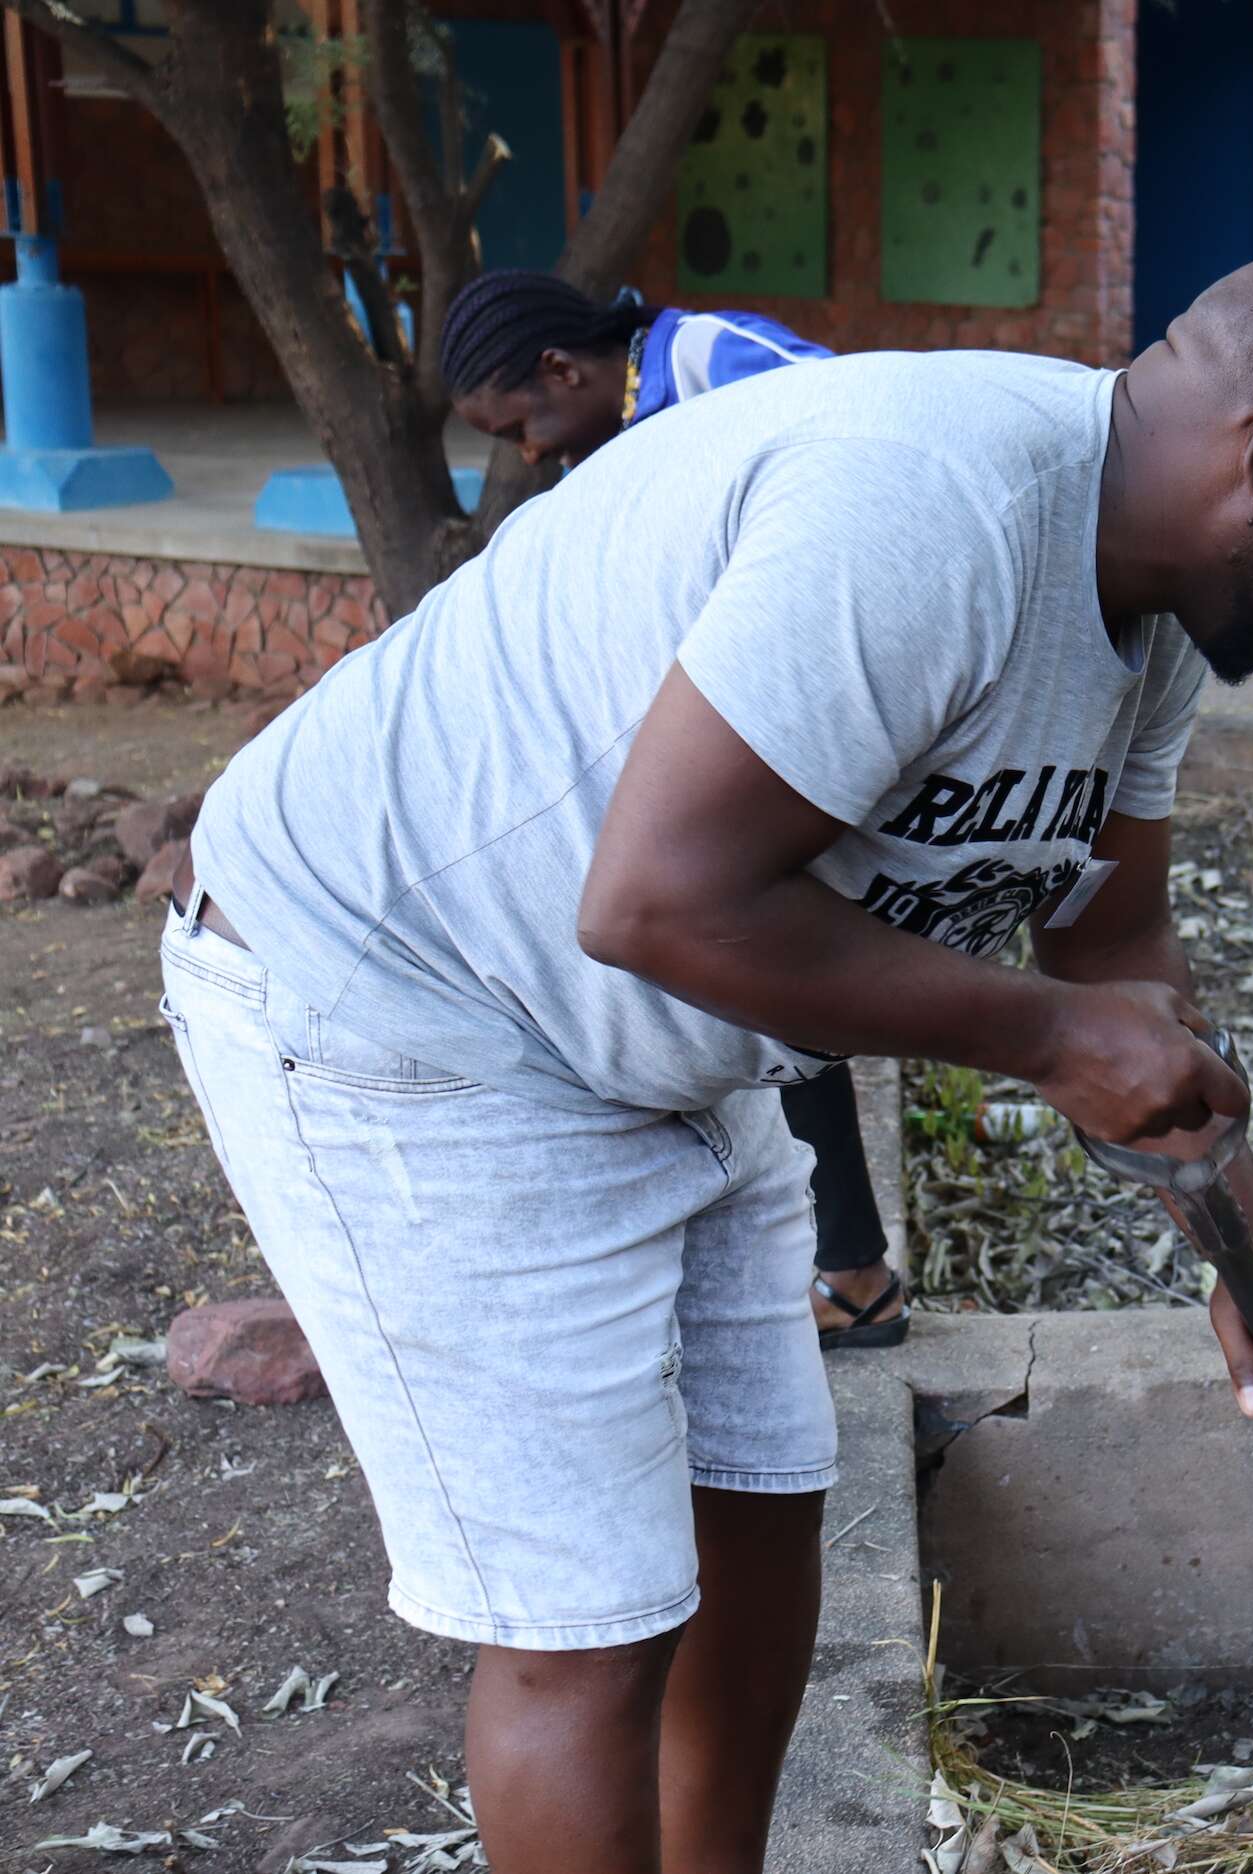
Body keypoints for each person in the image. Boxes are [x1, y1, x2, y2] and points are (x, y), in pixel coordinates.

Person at [162, 248, 1253, 1871]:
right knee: (594, 1617)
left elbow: (1115, 949)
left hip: (663, 1044)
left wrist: (1249, 1259)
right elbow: (657, 898)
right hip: (406, 997)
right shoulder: (935, 510)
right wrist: (1052, 1040)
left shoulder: (1158, 622)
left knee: (764, 1511)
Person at [439, 271, 902, 1349]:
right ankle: (830, 1265)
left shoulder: (719, 365)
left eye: (526, 426)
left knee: (768, 983)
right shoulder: (635, 418)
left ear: (563, 370)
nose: (534, 455)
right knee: (739, 993)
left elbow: (876, 459)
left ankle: (851, 1270)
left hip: (806, 735)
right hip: (734, 740)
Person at [441, 268, 832, 473]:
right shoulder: (590, 468)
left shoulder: (705, 356)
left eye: (519, 433)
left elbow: (853, 410)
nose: (528, 456)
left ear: (560, 370)